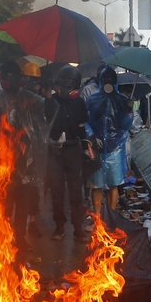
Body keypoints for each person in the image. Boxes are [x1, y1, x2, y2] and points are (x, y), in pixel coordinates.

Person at [0, 61, 49, 251]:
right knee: (5, 205)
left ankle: (20, 237)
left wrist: (47, 92)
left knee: (23, 203)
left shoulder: (30, 98)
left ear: (20, 78)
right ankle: (6, 238)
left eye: (12, 75)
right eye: (5, 75)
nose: (9, 79)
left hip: (25, 160)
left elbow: (47, 109)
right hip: (3, 159)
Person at [46, 66, 89, 242]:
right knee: (56, 190)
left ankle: (78, 228)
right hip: (54, 151)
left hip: (73, 150)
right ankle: (59, 226)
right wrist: (47, 99)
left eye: (69, 83)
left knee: (75, 192)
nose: (65, 86)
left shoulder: (79, 103)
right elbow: (45, 122)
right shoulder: (51, 101)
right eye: (62, 82)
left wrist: (86, 147)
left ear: (76, 86)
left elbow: (82, 129)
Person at [85, 66, 133, 214]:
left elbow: (125, 126)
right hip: (96, 147)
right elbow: (85, 120)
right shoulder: (92, 100)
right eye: (105, 80)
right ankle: (98, 218)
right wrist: (91, 135)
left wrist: (129, 111)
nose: (108, 83)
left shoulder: (122, 100)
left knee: (114, 184)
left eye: (111, 80)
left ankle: (111, 216)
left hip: (115, 148)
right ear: (100, 81)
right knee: (96, 184)